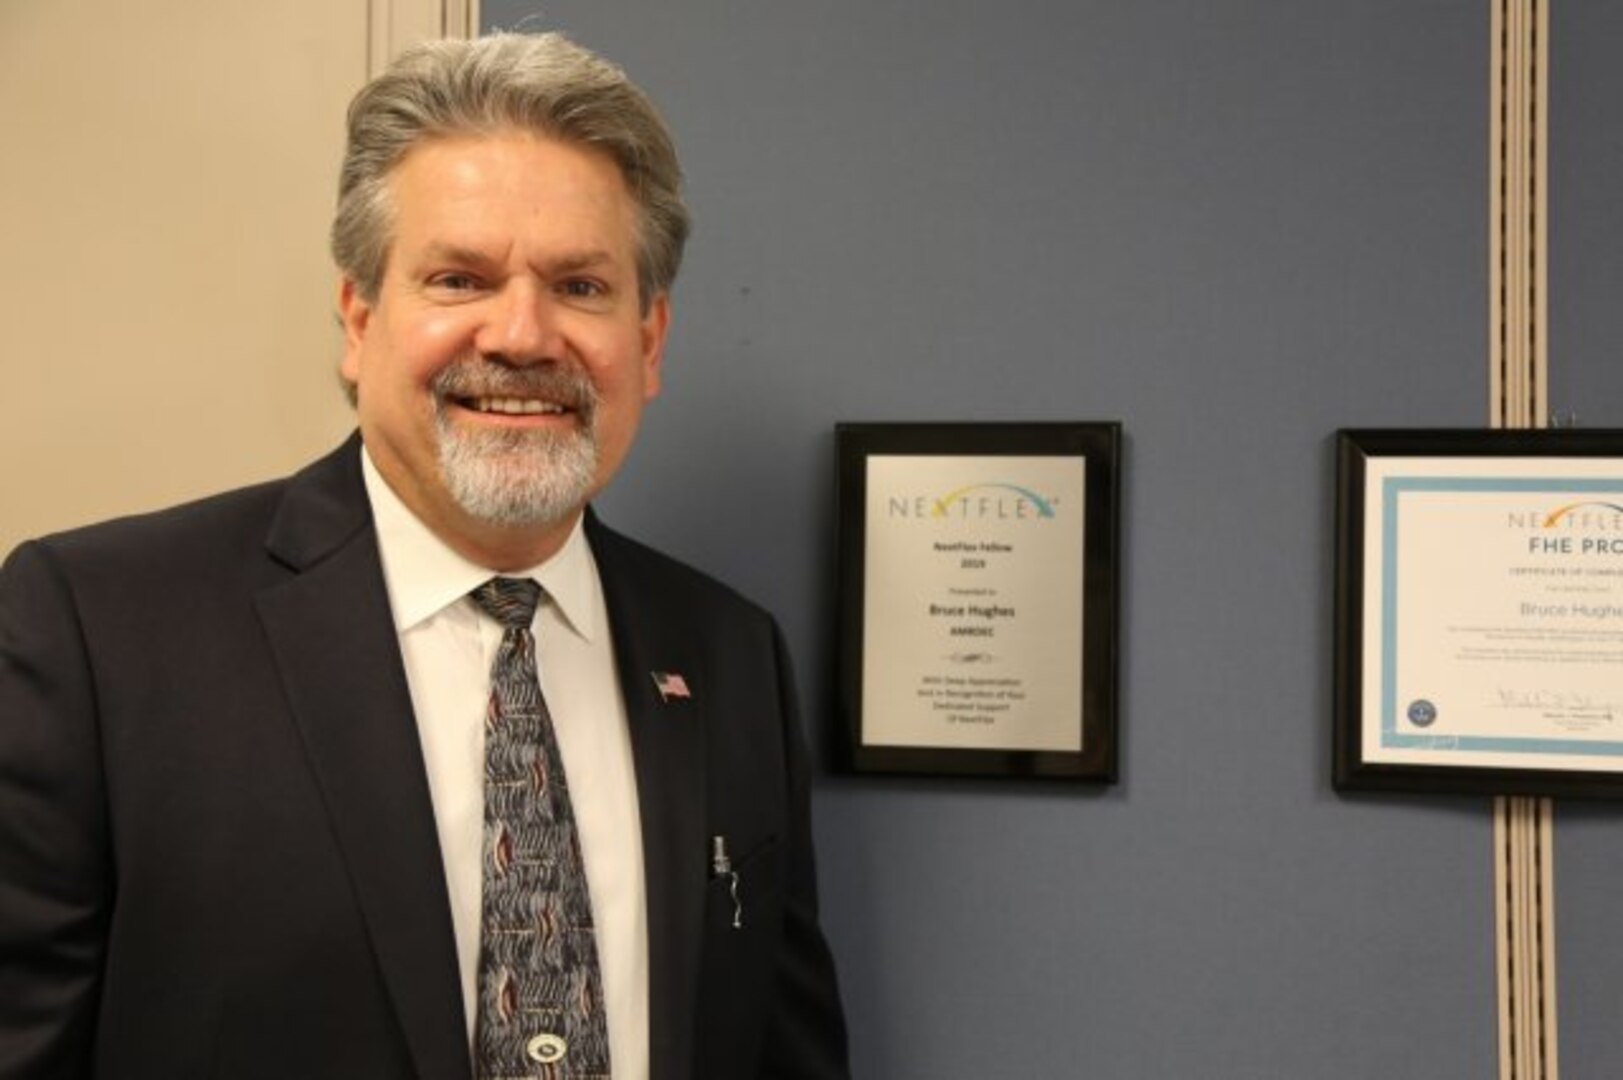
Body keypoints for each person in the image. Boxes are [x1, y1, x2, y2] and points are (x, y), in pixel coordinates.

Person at [0, 32, 849, 1080]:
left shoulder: (728, 656)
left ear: (650, 340)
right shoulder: (101, 634)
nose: (524, 335)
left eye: (582, 287)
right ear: (359, 321)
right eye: (460, 278)